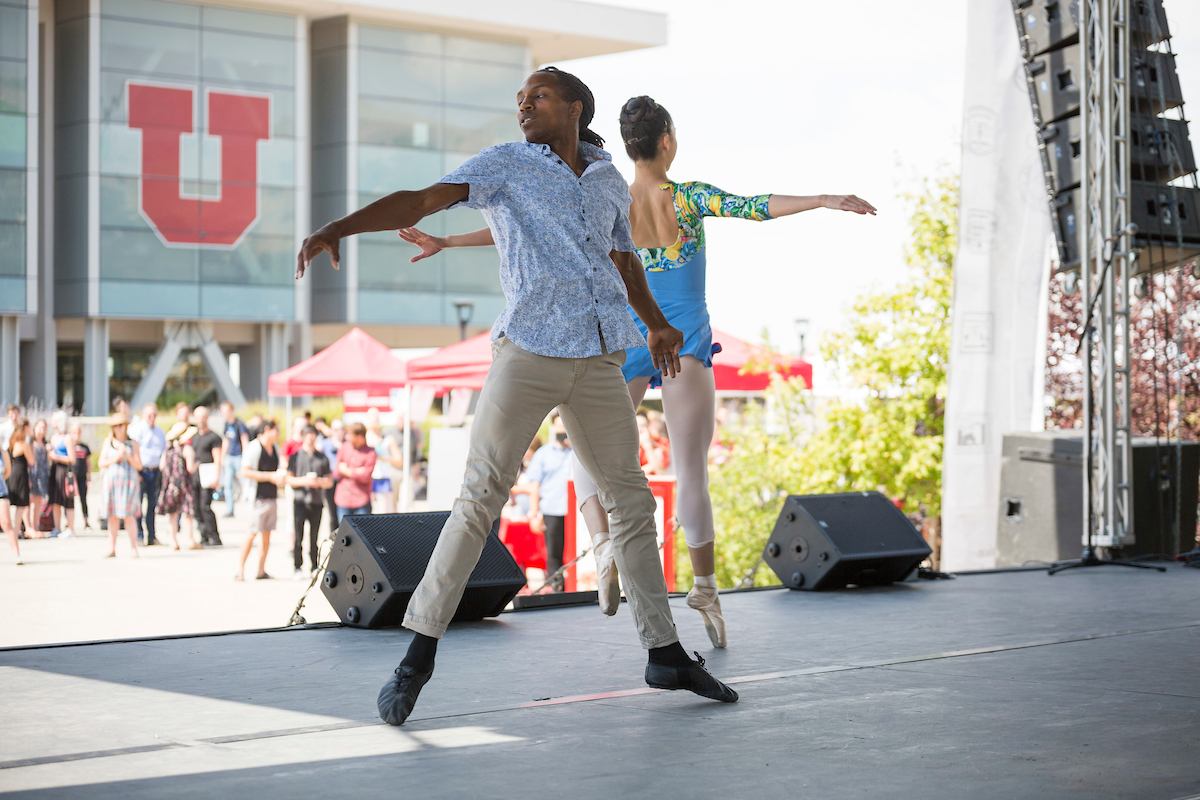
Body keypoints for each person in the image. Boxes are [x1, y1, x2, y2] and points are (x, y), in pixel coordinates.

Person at [297, 66, 737, 727]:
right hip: (528, 352)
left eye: (539, 96)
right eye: (521, 99)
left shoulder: (609, 180)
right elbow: (417, 200)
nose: (525, 106)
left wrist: (655, 321)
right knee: (480, 499)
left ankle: (664, 651)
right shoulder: (505, 164)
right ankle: (416, 656)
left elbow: (622, 261)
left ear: (575, 107)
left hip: (597, 358)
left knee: (632, 499)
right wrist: (340, 225)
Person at [405, 95, 877, 647]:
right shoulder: (690, 198)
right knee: (691, 469)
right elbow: (754, 205)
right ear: (668, 141)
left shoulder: (605, 195)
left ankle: (603, 546)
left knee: (588, 451)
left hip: (625, 336)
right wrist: (822, 199)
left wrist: (447, 240)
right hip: (683, 339)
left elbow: (522, 226)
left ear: (630, 146)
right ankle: (704, 589)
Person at [523, 414, 573, 591]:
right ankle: (557, 587)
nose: (563, 430)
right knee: (554, 552)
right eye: (559, 426)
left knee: (575, 551)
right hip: (552, 509)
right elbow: (534, 485)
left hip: (576, 512)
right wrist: (534, 514)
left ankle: (575, 584)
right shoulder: (543, 454)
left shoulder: (578, 452)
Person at [236, 419, 285, 581]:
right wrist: (269, 476)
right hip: (257, 498)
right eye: (276, 430)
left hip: (271, 497)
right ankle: (240, 570)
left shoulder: (275, 448)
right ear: (267, 429)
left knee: (267, 535)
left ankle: (261, 570)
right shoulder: (254, 447)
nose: (278, 434)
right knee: (251, 533)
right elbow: (245, 471)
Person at [287, 425, 333, 578]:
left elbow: (329, 481)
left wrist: (319, 482)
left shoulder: (322, 457)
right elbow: (289, 479)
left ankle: (314, 565)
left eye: (313, 434)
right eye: (308, 434)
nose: (311, 437)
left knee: (315, 536)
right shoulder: (295, 457)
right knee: (298, 536)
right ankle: (296, 567)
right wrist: (304, 481)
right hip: (300, 500)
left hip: (316, 501)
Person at [98, 411, 142, 558]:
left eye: (121, 425)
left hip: (128, 483)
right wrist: (114, 459)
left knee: (129, 516)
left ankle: (133, 548)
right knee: (113, 516)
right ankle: (112, 548)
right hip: (112, 483)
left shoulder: (132, 443)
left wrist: (127, 455)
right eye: (116, 426)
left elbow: (139, 465)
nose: (119, 428)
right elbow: (101, 463)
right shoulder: (108, 442)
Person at [158, 423, 200, 550]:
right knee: (188, 513)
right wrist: (198, 463)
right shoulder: (187, 449)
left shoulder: (168, 450)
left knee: (172, 514)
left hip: (171, 485)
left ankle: (173, 541)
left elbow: (161, 466)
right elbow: (190, 468)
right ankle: (190, 540)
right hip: (184, 485)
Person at [129, 403, 165, 545]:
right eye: (149, 414)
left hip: (155, 472)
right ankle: (139, 535)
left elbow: (163, 452)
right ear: (144, 415)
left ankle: (151, 536)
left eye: (154, 414)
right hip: (141, 471)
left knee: (152, 505)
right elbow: (134, 452)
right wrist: (136, 471)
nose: (152, 417)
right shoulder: (137, 430)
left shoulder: (160, 432)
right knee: (138, 505)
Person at [190, 406, 223, 547]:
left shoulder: (214, 437)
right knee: (196, 508)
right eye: (197, 417)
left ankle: (214, 536)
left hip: (208, 475)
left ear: (207, 418)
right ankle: (203, 536)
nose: (200, 420)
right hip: (196, 476)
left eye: (202, 416)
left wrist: (216, 476)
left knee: (205, 506)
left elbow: (217, 458)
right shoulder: (194, 437)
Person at [334, 422, 375, 522]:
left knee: (363, 532)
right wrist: (356, 471)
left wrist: (346, 470)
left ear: (359, 436)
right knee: (344, 532)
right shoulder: (344, 447)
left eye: (350, 434)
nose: (347, 437)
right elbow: (336, 472)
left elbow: (365, 477)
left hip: (361, 499)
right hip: (343, 498)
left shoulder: (370, 453)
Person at [365, 409, 402, 514]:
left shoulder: (388, 438)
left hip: (384, 479)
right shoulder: (364, 439)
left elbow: (399, 460)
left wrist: (382, 458)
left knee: (385, 511)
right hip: (368, 478)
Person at [47, 411, 76, 538]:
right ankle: (57, 528)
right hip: (54, 471)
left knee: (68, 500)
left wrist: (57, 457)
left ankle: (70, 529)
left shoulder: (68, 438)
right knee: (55, 501)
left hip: (64, 472)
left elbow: (72, 459)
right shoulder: (53, 438)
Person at [218, 402, 250, 518]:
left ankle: (249, 507)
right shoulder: (226, 424)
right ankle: (229, 509)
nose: (224, 414)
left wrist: (246, 458)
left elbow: (244, 440)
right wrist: (222, 456)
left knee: (245, 482)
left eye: (226, 411)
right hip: (229, 457)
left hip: (239, 456)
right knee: (228, 484)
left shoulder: (239, 424)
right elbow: (226, 440)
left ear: (232, 411)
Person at [6, 418, 29, 537]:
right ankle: (17, 530)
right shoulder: (24, 444)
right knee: (21, 503)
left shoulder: (12, 443)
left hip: (12, 474)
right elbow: (32, 460)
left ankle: (16, 529)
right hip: (21, 475)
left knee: (11, 502)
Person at [321, 418, 344, 534]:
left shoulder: (347, 444)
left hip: (344, 482)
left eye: (340, 429)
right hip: (330, 482)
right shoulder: (325, 444)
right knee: (332, 513)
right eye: (335, 429)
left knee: (344, 512)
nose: (338, 432)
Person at [70, 421, 93, 529]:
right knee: (69, 500)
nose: (76, 434)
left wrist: (89, 477)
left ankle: (86, 521)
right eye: (74, 432)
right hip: (71, 476)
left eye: (78, 432)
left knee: (83, 499)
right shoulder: (69, 446)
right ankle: (68, 522)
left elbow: (89, 463)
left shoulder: (85, 447)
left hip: (82, 477)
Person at [1, 440, 19, 564]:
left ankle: (16, 554)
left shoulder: (3, 453)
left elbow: (7, 472)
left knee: (7, 523)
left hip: (1, 491)